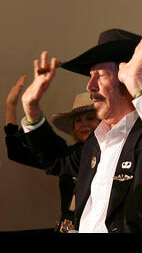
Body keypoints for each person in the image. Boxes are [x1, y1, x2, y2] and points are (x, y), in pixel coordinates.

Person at [19, 28, 142, 233]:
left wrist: (139, 82)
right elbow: (57, 160)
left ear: (128, 80)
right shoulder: (96, 142)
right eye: (90, 75)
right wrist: (32, 111)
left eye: (100, 75)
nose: (90, 86)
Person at [4, 75, 100, 232]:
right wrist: (10, 106)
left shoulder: (115, 151)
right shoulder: (69, 157)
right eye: (78, 120)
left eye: (90, 118)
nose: (84, 124)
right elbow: (16, 152)